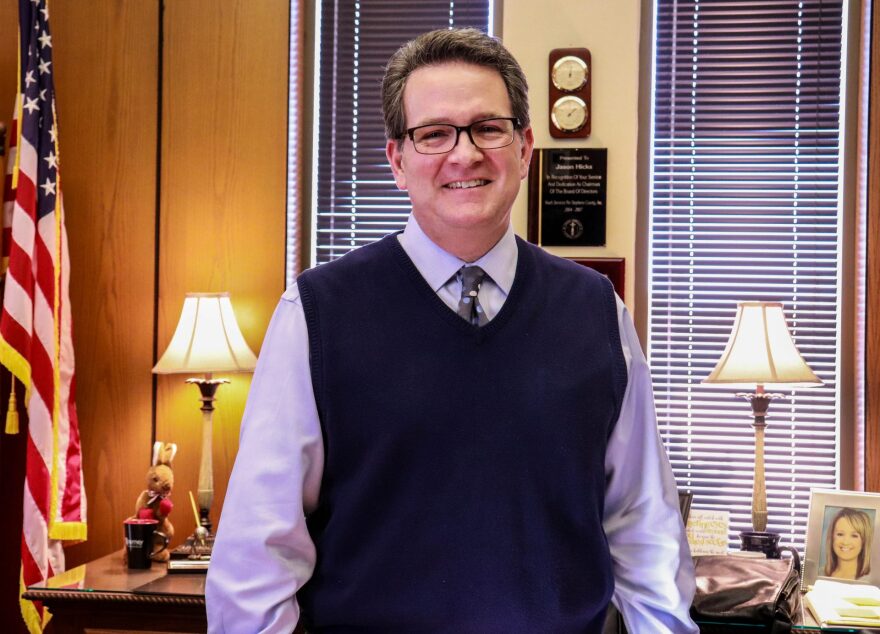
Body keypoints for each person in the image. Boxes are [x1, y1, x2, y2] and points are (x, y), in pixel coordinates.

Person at [206, 28, 697, 633]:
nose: (464, 155)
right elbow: (259, 552)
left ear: (524, 148)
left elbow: (642, 526)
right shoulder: (316, 314)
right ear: (397, 160)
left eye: (488, 128)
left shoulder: (597, 311)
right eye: (433, 133)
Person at [824, 507, 873, 580]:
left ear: (864, 541)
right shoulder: (820, 575)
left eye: (854, 536)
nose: (845, 542)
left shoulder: (870, 581)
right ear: (832, 537)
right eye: (840, 534)